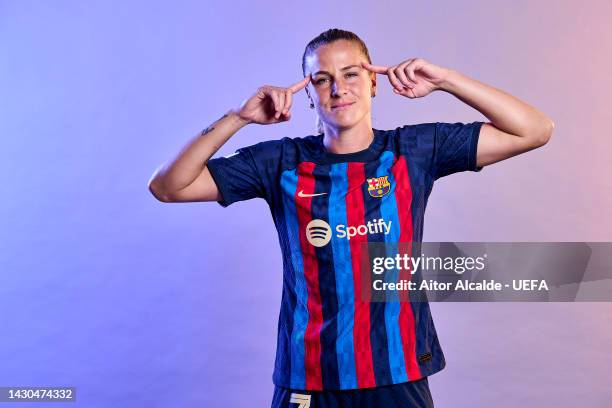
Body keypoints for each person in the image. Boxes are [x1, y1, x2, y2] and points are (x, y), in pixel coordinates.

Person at [148, 28, 554, 408]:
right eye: (322, 79)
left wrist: (447, 80)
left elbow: (534, 130)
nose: (339, 88)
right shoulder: (281, 162)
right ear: (309, 94)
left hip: (397, 374)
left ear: (374, 81)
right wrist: (238, 117)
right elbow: (168, 187)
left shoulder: (413, 150)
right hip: (308, 377)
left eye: (352, 73)